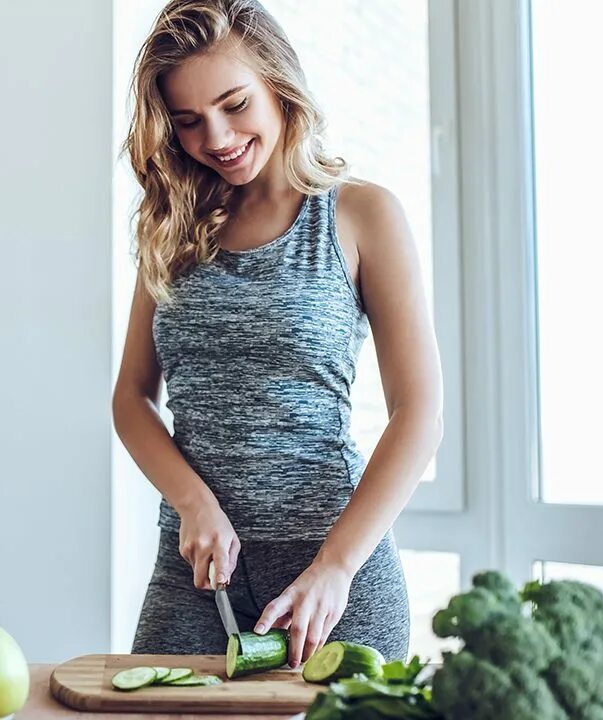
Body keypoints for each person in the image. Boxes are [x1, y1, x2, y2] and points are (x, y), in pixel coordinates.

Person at [112, 0, 444, 668]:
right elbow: (131, 398)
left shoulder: (360, 214)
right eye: (187, 121)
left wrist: (338, 566)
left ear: (280, 87)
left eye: (235, 104)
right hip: (195, 575)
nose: (217, 136)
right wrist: (192, 501)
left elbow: (420, 412)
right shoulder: (169, 227)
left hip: (332, 574)